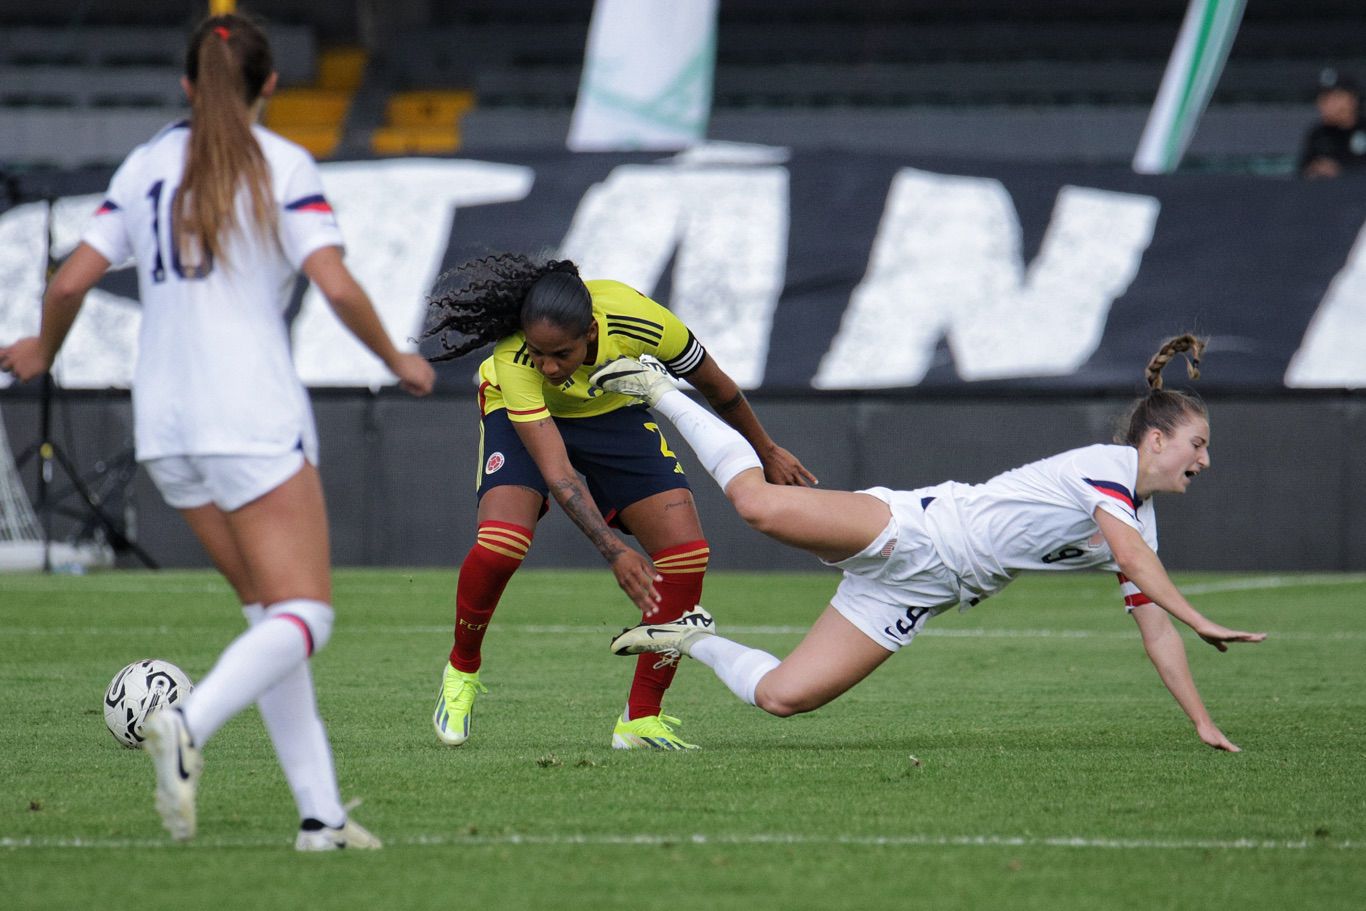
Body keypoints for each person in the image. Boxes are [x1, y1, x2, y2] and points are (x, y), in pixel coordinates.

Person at [0, 14, 434, 847]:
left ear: (189, 85)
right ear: (271, 86)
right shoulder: (282, 163)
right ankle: (188, 723)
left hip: (166, 425)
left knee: (269, 618)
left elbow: (67, 284)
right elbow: (336, 286)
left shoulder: (144, 166)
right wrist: (398, 358)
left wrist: (40, 351)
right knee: (308, 613)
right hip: (251, 414)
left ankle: (321, 816)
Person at [596, 335, 1269, 752]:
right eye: (1197, 444)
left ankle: (691, 636)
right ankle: (662, 388)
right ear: (1155, 440)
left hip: (924, 591)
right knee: (757, 506)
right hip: (918, 530)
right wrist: (1202, 614)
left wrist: (1202, 720)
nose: (1204, 460)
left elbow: (1155, 632)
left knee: (782, 696)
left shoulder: (1137, 521)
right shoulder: (1107, 469)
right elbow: (1132, 560)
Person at [420, 253, 814, 750]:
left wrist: (768, 449)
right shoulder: (515, 359)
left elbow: (718, 386)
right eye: (538, 353)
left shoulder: (643, 322)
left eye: (559, 354)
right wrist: (613, 550)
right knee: (502, 544)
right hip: (522, 418)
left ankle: (640, 720)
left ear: (589, 332)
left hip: (612, 408)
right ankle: (462, 670)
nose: (546, 365)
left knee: (686, 554)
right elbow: (558, 473)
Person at [1300, 69, 1366, 178]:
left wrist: (1341, 172)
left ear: (1353, 99)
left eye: (1334, 97)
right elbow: (1301, 174)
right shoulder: (1318, 135)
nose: (1325, 104)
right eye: (1323, 98)